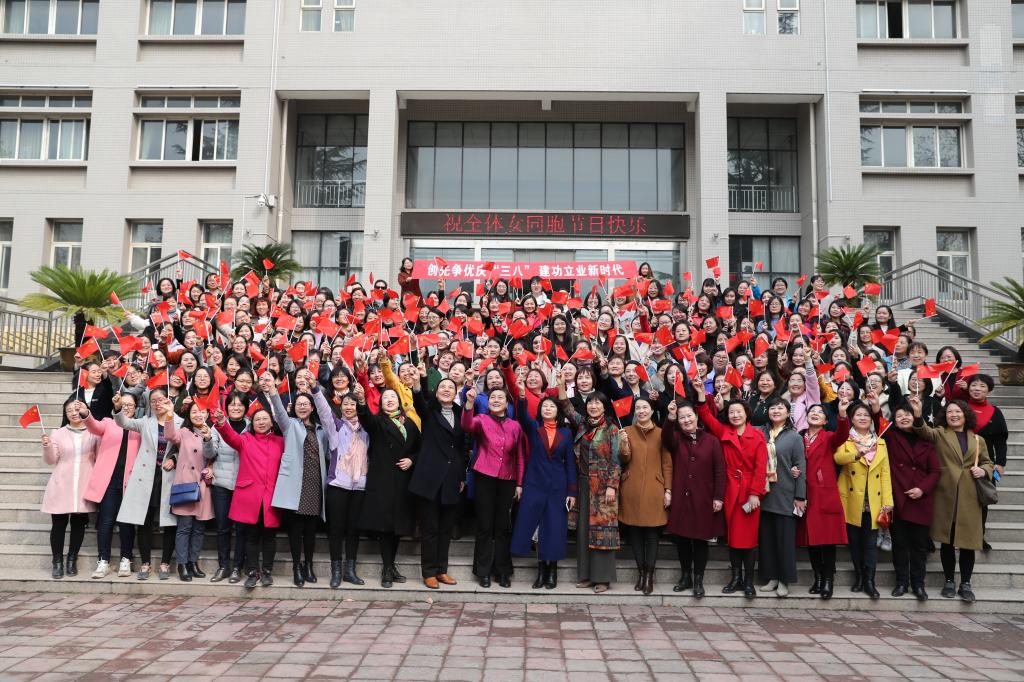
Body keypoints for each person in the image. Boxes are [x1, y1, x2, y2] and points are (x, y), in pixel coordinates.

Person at [909, 395, 994, 603]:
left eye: (958, 412)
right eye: (949, 412)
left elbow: (988, 462)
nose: (954, 415)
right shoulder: (940, 433)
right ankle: (949, 581)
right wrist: (918, 413)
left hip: (970, 496)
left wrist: (983, 470)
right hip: (946, 495)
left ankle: (966, 583)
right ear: (944, 416)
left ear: (966, 415)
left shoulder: (978, 439)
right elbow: (922, 430)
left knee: (968, 542)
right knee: (947, 541)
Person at [694, 385, 768, 599]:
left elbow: (760, 468)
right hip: (730, 491)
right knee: (733, 538)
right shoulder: (724, 431)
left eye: (739, 412)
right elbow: (706, 416)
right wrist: (701, 394)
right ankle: (736, 578)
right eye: (732, 412)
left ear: (747, 414)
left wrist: (755, 493)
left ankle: (748, 581)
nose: (735, 415)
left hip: (749, 493)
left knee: (749, 540)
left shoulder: (757, 436)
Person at [263, 372, 328, 588]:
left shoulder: (321, 430)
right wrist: (273, 390)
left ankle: (308, 565)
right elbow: (279, 412)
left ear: (312, 407)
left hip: (314, 483)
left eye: (306, 404)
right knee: (295, 530)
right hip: (295, 484)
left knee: (310, 530)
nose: (302, 406)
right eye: (299, 404)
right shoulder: (289, 425)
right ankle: (296, 567)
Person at [213, 401, 286, 590]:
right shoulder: (245, 439)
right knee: (251, 535)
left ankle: (267, 572)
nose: (261, 422)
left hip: (271, 495)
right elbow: (230, 437)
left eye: (265, 419)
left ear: (271, 422)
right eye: (257, 419)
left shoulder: (280, 441)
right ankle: (253, 572)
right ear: (252, 423)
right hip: (250, 496)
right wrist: (222, 423)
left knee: (269, 536)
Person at [461, 386, 526, 588]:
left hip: (507, 479)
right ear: (488, 403)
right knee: (484, 526)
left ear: (507, 403)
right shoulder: (481, 419)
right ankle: (483, 572)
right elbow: (466, 425)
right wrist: (469, 403)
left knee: (503, 527)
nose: (496, 400)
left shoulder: (515, 426)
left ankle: (503, 571)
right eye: (492, 398)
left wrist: (519, 483)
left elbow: (520, 457)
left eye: (500, 397)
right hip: (484, 477)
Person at [875, 401, 940, 600]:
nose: (904, 418)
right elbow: (877, 421)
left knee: (919, 546)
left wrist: (922, 489)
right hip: (898, 497)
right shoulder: (891, 437)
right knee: (900, 544)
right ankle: (901, 582)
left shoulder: (927, 440)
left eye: (908, 414)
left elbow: (935, 471)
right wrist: (875, 406)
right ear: (894, 420)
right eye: (899, 415)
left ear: (915, 416)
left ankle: (918, 584)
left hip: (921, 499)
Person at [114, 389, 181, 581]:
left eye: (161, 399)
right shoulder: (145, 422)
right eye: (153, 401)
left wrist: (174, 459)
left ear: (168, 400)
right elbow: (124, 422)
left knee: (170, 521)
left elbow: (184, 446)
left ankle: (165, 563)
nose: (157, 403)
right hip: (147, 476)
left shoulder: (180, 422)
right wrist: (118, 408)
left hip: (169, 476)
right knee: (145, 520)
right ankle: (145, 562)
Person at [357, 388, 421, 588]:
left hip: (403, 481)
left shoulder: (409, 423)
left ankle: (391, 566)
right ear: (381, 404)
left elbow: (419, 448)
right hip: (383, 481)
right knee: (385, 527)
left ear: (399, 401)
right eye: (386, 398)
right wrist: (361, 402)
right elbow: (366, 418)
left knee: (398, 527)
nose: (390, 400)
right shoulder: (378, 422)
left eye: (393, 396)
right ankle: (386, 568)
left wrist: (412, 460)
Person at [560, 387, 622, 594]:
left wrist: (612, 485)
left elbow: (616, 460)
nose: (593, 406)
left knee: (602, 532)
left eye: (597, 403)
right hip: (583, 484)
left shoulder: (612, 429)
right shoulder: (583, 425)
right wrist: (560, 384)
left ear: (604, 407)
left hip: (603, 487)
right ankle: (586, 575)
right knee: (584, 531)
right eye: (590, 403)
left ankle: (602, 578)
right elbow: (567, 408)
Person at [661, 400, 725, 598]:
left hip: (703, 498)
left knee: (700, 540)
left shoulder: (712, 441)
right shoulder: (677, 439)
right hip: (682, 496)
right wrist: (670, 417)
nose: (686, 420)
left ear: (696, 417)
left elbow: (720, 470)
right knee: (682, 540)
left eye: (689, 416)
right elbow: (665, 437)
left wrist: (718, 497)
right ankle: (685, 577)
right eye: (682, 418)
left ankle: (698, 580)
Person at [410, 378, 467, 589]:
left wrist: (461, 476)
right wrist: (417, 385)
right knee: (430, 528)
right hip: (429, 478)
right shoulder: (430, 411)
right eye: (442, 386)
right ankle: (429, 572)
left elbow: (462, 448)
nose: (446, 390)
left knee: (446, 528)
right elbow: (419, 402)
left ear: (456, 392)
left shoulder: (461, 413)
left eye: (450, 387)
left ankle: (442, 570)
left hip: (451, 478)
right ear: (436, 391)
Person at [311, 379, 369, 588]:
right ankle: (336, 571)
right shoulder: (335, 426)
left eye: (353, 404)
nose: (349, 407)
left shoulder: (367, 429)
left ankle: (350, 571)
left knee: (353, 529)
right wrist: (315, 390)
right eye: (346, 404)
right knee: (336, 529)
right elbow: (324, 411)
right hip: (338, 485)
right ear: (341, 407)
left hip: (360, 486)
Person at [834, 401, 893, 600]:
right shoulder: (845, 439)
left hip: (874, 499)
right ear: (852, 418)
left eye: (866, 415)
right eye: (858, 415)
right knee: (855, 542)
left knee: (870, 543)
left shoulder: (880, 442)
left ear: (871, 420)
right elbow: (838, 458)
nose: (862, 418)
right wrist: (857, 453)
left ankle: (869, 581)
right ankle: (859, 577)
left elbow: (885, 474)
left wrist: (888, 501)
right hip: (851, 498)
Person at [617, 397, 673, 595]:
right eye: (638, 408)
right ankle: (641, 573)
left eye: (645, 407)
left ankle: (649, 575)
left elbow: (667, 463)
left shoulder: (661, 433)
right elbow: (623, 459)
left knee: (652, 535)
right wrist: (624, 444)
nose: (641, 411)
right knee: (635, 534)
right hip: (631, 488)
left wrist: (668, 489)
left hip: (654, 489)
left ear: (651, 411)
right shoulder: (626, 431)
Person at [83, 393, 141, 579]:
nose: (126, 407)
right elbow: (94, 426)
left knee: (126, 523)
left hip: (130, 482)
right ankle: (103, 561)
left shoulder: (139, 426)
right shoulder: (108, 422)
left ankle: (126, 559)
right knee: (106, 522)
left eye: (130, 405)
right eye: (123, 404)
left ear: (136, 408)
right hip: (108, 481)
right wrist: (86, 414)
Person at [41, 398, 100, 579]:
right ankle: (57, 561)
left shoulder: (94, 433)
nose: (74, 413)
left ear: (85, 410)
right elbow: (51, 460)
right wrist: (47, 447)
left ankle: (72, 559)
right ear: (65, 414)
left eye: (76, 409)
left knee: (78, 524)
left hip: (84, 483)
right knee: (58, 524)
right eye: (69, 411)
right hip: (62, 483)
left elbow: (99, 458)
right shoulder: (58, 433)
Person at [798, 401, 850, 600]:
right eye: (812, 411)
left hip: (824, 493)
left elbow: (842, 435)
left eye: (820, 412)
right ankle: (818, 577)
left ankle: (828, 580)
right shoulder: (799, 437)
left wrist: (842, 415)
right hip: (804, 493)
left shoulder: (828, 437)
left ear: (826, 420)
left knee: (828, 540)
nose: (815, 413)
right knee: (811, 539)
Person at [756, 397, 806, 597]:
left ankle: (784, 580)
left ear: (787, 413)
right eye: (772, 408)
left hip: (785, 493)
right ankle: (772, 577)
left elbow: (800, 467)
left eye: (780, 408)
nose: (776, 411)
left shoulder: (794, 437)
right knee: (767, 540)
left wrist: (800, 495)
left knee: (784, 541)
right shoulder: (760, 432)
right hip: (764, 493)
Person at [165, 403, 215, 581]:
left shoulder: (212, 432)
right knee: (184, 527)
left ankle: (193, 562)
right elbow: (169, 435)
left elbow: (211, 454)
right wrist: (169, 415)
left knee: (199, 529)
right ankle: (182, 564)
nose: (198, 414)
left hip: (203, 486)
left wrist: (208, 439)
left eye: (201, 411)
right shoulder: (184, 432)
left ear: (207, 413)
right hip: (186, 484)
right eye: (194, 411)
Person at [207, 391, 248, 583]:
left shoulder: (251, 426)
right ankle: (223, 566)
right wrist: (207, 439)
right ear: (226, 407)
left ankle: (238, 567)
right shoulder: (217, 426)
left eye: (240, 404)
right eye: (232, 404)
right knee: (222, 527)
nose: (236, 408)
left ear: (246, 408)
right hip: (222, 484)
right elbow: (210, 454)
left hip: (244, 484)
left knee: (242, 528)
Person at [965, 374, 1008, 550]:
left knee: (982, 501)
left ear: (989, 390)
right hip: (960, 462)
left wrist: (1000, 463)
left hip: (985, 465)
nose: (977, 389)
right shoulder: (959, 408)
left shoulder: (995, 412)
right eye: (974, 385)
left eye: (982, 386)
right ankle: (960, 536)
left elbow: (1000, 441)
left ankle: (979, 536)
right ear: (968, 388)